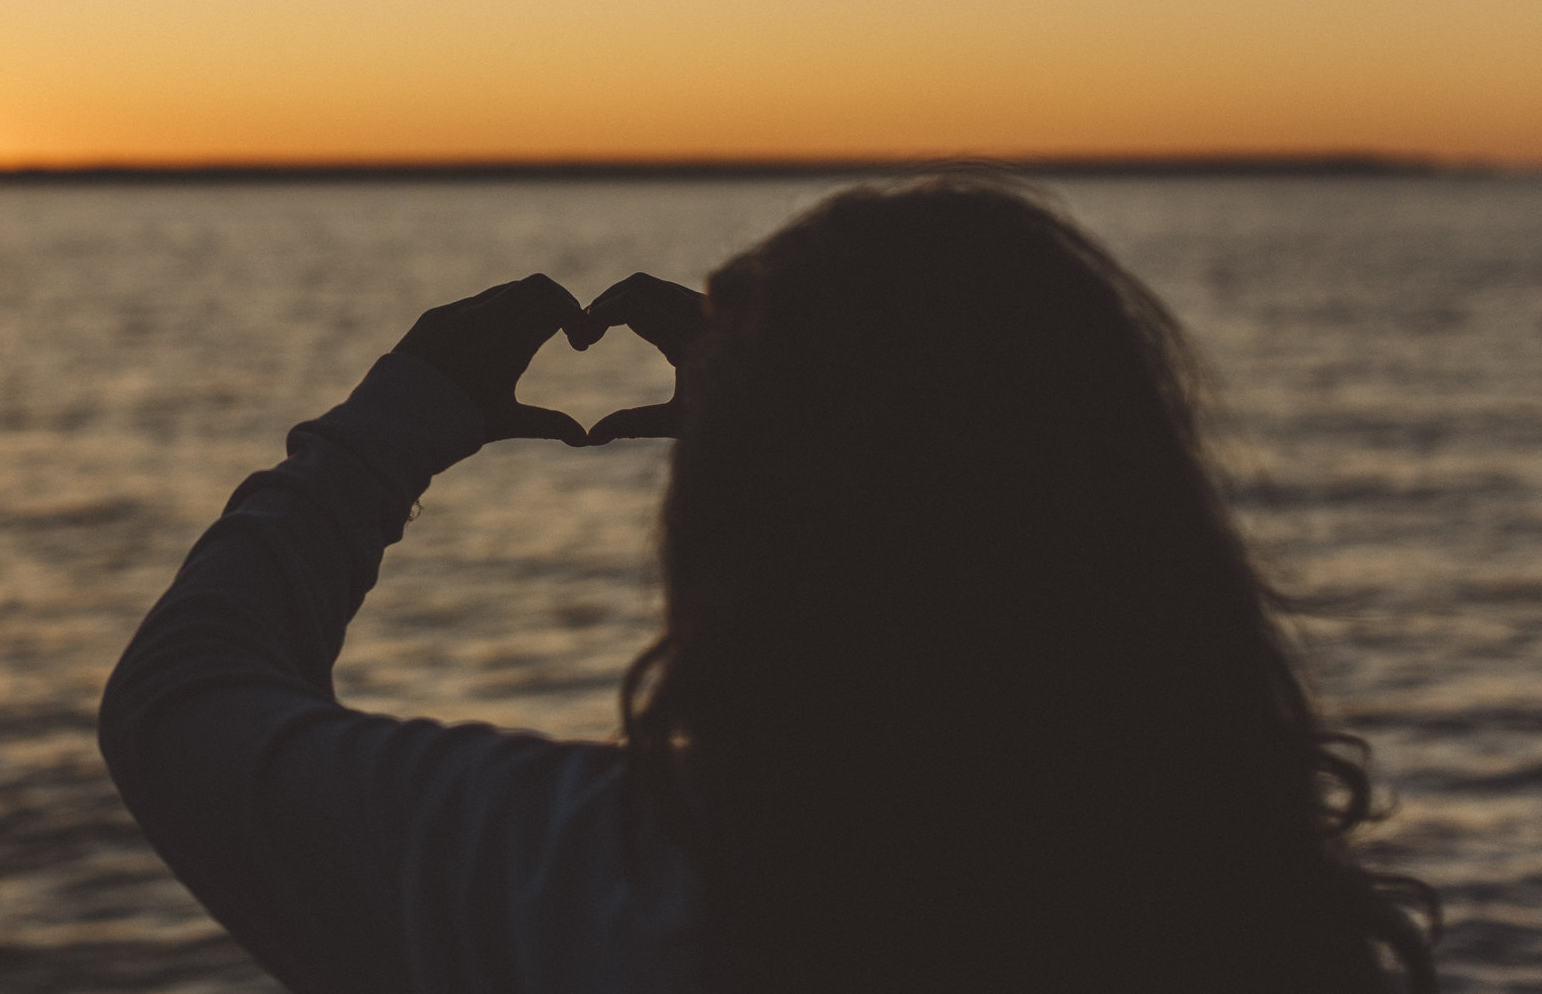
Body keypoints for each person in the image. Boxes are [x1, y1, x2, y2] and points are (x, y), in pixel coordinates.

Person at [99, 176, 1439, 993]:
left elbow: (182, 707)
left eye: (739, 327)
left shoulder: (599, 884)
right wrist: (777, 410)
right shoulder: (1246, 913)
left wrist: (399, 422)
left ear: (745, 507)